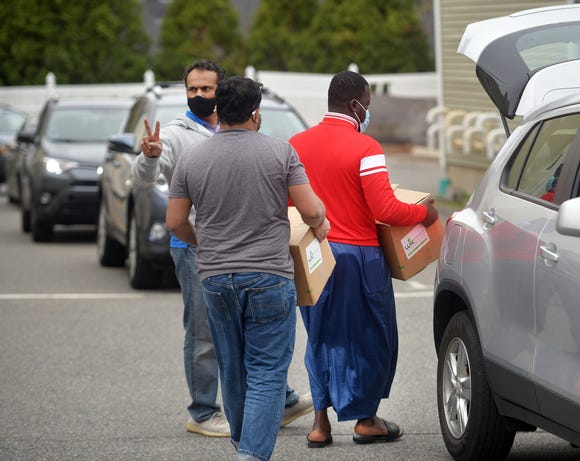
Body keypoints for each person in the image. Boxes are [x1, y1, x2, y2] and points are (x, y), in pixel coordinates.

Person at [133, 60, 313, 438]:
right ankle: (202, 411)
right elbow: (149, 180)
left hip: (238, 248)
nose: (198, 95)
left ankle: (277, 400)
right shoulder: (178, 136)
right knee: (205, 335)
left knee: (244, 332)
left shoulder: (247, 135)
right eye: (192, 89)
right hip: (197, 245)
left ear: (222, 92)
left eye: (205, 89)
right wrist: (149, 157)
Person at [166, 76, 330, 461]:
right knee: (268, 371)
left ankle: (245, 445)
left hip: (215, 278)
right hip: (269, 276)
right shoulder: (280, 153)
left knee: (233, 367)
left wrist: (202, 243)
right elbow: (311, 210)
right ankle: (251, 454)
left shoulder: (193, 157)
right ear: (256, 113)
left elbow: (175, 222)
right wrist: (320, 223)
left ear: (219, 111)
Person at [289, 70, 439, 448]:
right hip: (359, 257)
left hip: (314, 256)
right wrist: (426, 215)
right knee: (372, 336)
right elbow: (385, 208)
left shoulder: (295, 144)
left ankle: (320, 426)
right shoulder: (365, 148)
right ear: (355, 105)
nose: (367, 112)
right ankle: (365, 421)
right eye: (367, 105)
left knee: (320, 336)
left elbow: (289, 205)